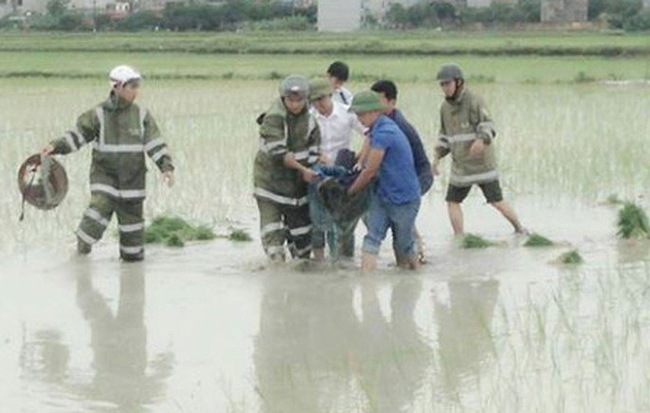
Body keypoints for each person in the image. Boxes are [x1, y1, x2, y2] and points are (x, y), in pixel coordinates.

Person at [41, 65, 175, 262]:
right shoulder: (98, 115)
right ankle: (80, 253)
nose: (136, 91)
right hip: (105, 178)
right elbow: (78, 135)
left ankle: (132, 276)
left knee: (133, 244)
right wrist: (56, 146)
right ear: (117, 87)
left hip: (133, 184)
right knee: (97, 212)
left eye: (137, 86)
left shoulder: (141, 115)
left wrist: (166, 167)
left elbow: (155, 143)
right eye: (132, 86)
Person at [432, 63, 526, 235]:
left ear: (458, 82)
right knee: (452, 201)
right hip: (460, 166)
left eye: (448, 83)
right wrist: (437, 157)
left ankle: (520, 228)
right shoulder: (445, 108)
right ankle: (459, 237)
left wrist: (482, 140)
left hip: (482, 164)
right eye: (442, 85)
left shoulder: (475, 101)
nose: (445, 88)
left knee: (496, 200)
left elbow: (488, 125)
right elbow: (445, 136)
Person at [347, 91, 421, 273]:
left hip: (404, 199)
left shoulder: (385, 132)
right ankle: (366, 285)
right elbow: (364, 158)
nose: (359, 119)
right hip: (383, 195)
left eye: (361, 115)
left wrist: (350, 191)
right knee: (372, 237)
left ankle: (416, 277)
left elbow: (370, 170)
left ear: (374, 112)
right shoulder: (376, 129)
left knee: (404, 243)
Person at [253, 75, 320, 262]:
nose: (295, 104)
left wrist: (315, 170)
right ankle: (276, 276)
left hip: (296, 188)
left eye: (299, 100)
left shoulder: (311, 122)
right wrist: (304, 170)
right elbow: (281, 154)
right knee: (273, 236)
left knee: (303, 240)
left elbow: (314, 152)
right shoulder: (273, 118)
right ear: (284, 99)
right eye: (291, 100)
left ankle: (300, 273)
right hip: (270, 185)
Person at [371, 79, 433, 262]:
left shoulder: (396, 126)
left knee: (401, 214)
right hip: (403, 177)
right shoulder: (381, 123)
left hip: (418, 176)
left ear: (392, 102)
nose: (373, 106)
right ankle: (410, 258)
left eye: (379, 100)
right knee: (399, 216)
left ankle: (416, 255)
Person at [308, 78, 365, 261]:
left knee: (341, 220)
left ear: (330, 95)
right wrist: (316, 155)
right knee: (317, 221)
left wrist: (361, 157)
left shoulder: (347, 113)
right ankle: (319, 261)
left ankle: (341, 261)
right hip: (318, 174)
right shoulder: (309, 118)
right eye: (315, 101)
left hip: (341, 175)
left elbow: (370, 132)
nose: (319, 105)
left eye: (322, 99)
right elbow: (301, 144)